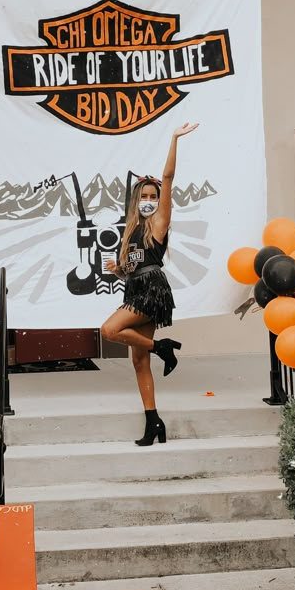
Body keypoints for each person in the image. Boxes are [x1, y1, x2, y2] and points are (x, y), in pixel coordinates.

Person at [101, 123, 199, 447]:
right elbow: (129, 271)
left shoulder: (159, 221)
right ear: (135, 200)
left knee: (109, 330)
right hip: (135, 287)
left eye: (152, 196)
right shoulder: (130, 231)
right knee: (138, 361)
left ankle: (164, 348)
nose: (148, 200)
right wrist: (118, 269)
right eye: (143, 196)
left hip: (153, 289)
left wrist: (173, 139)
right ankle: (153, 422)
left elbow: (168, 177)